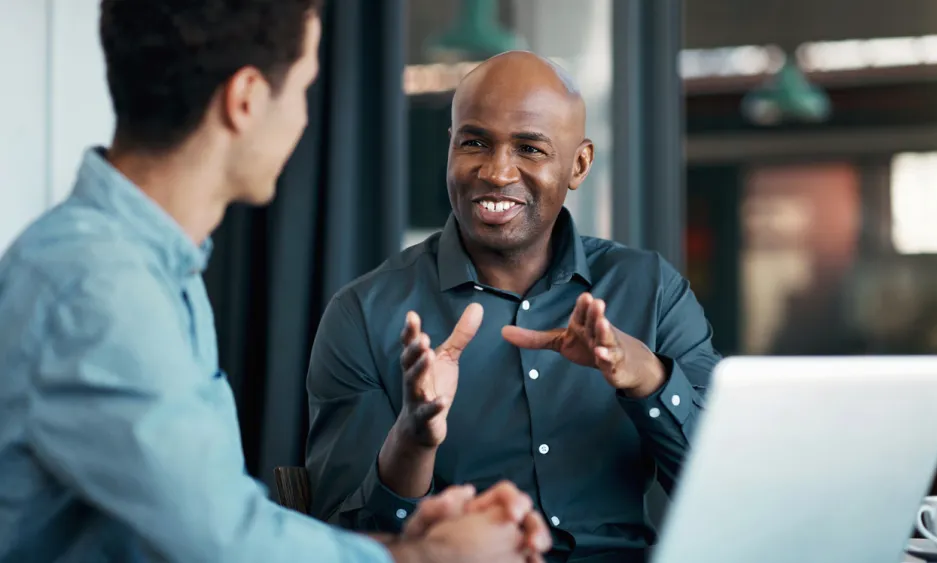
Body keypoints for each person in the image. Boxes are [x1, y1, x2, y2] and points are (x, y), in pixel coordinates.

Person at [0, 2, 552, 562]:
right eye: (302, 88)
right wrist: (428, 558)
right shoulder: (99, 288)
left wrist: (407, 541)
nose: (303, 119)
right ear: (245, 101)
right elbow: (222, 546)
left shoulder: (150, 268)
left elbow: (220, 515)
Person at [305, 50, 723, 563]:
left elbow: (725, 490)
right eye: (474, 142)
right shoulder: (365, 314)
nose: (497, 172)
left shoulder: (650, 290)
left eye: (529, 148)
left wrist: (649, 379)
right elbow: (342, 541)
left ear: (580, 164)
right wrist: (412, 439)